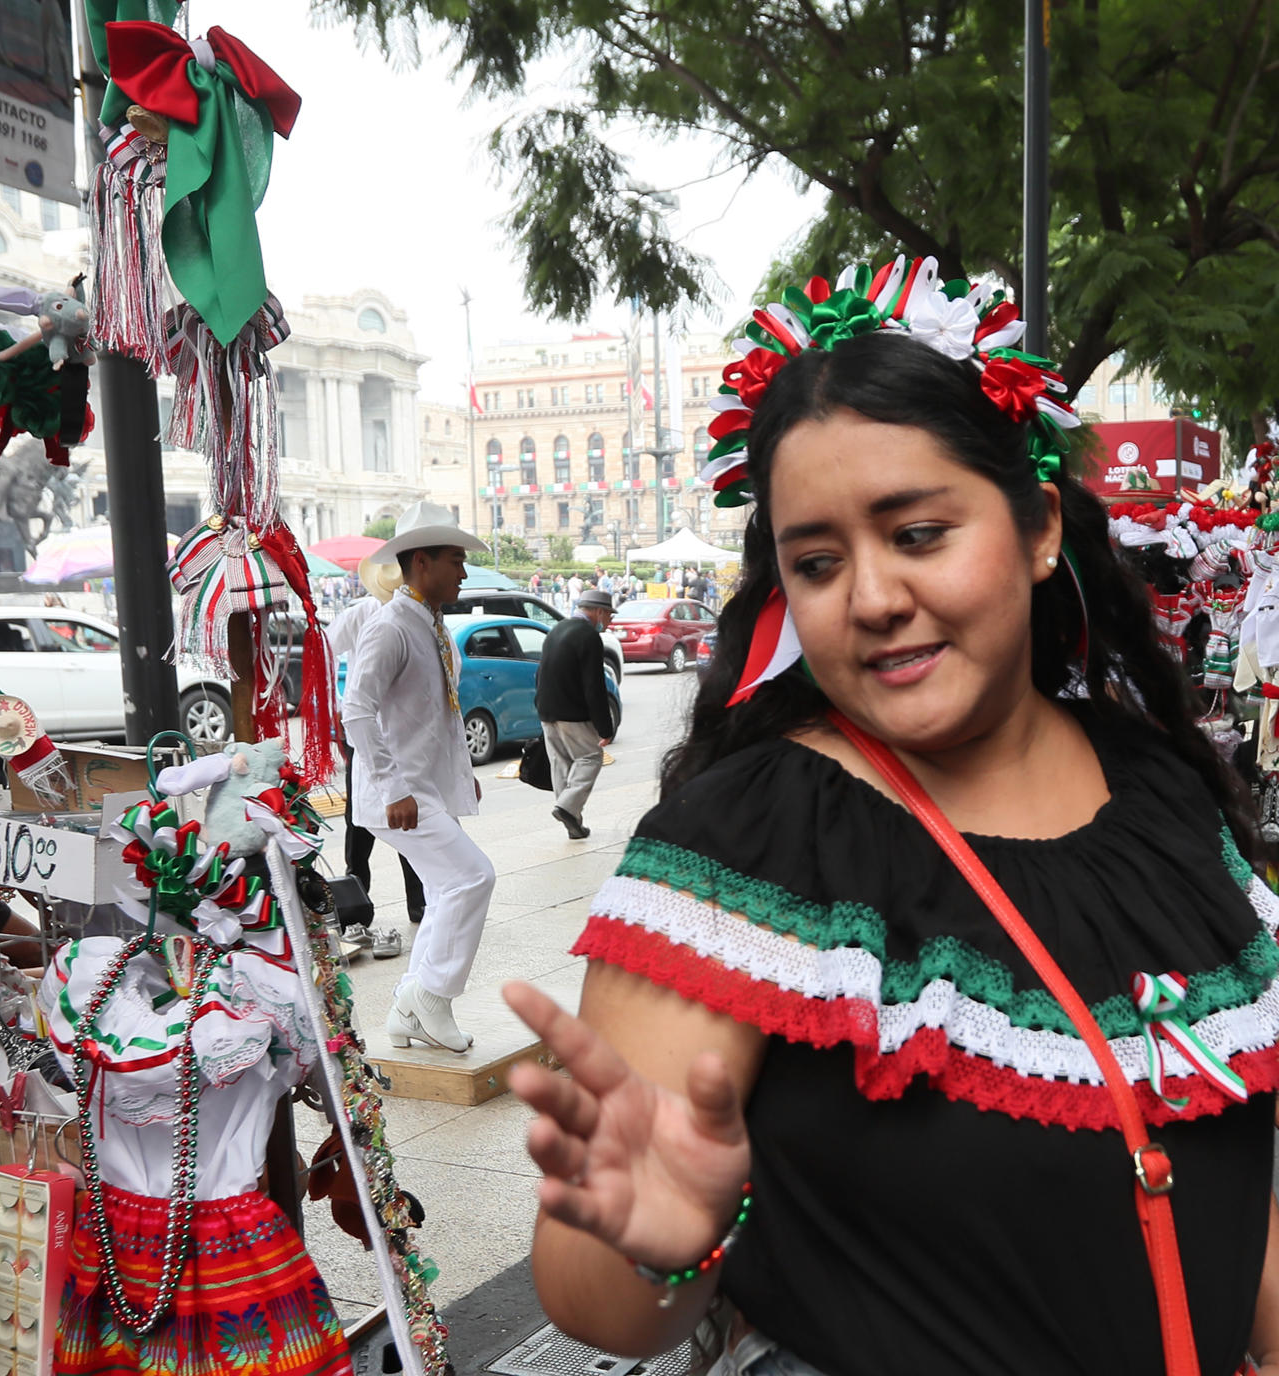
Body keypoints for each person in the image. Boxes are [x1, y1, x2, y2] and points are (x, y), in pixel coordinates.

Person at [504, 264, 1279, 1376]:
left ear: (1041, 527)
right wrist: (664, 1238)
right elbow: (601, 1305)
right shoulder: (733, 853)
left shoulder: (1160, 793)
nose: (869, 597)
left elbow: (1235, 1196)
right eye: (817, 561)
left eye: (917, 533)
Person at [343, 500, 497, 1054]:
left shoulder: (429, 626)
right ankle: (430, 998)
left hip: (424, 789)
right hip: (398, 796)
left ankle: (410, 1004)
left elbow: (438, 714)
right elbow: (356, 709)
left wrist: (461, 774)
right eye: (455, 559)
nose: (462, 570)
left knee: (445, 888)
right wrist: (394, 788)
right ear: (422, 561)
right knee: (472, 877)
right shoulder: (389, 626)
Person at [328, 556, 426, 930]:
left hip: (403, 738)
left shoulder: (418, 618)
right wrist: (337, 704)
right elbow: (325, 648)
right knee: (359, 825)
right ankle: (356, 900)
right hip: (366, 736)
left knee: (410, 826)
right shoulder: (363, 613)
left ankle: (418, 904)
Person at [536, 588, 617, 839]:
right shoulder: (589, 637)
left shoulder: (557, 630)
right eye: (609, 616)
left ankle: (573, 821)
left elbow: (540, 673)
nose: (610, 621)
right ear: (599, 612)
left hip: (547, 709)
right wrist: (605, 728)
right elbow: (594, 686)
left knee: (561, 763)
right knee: (590, 757)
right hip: (573, 711)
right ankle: (567, 807)